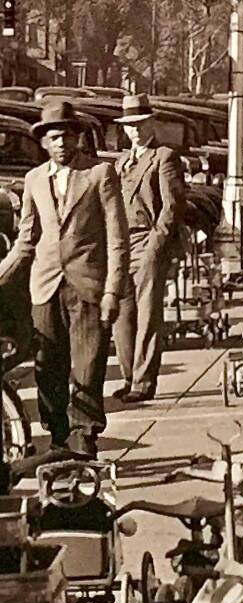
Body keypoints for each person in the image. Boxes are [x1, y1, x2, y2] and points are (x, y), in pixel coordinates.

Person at [0, 97, 128, 458]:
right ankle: (57, 441)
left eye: (67, 136)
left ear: (78, 138)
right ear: (43, 142)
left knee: (87, 368)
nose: (62, 143)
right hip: (45, 287)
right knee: (48, 371)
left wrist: (111, 292)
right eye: (54, 137)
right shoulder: (33, 180)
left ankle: (84, 441)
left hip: (88, 287)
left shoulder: (100, 174)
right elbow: (26, 241)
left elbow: (117, 240)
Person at [110, 92, 184, 408]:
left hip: (147, 244)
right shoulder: (118, 163)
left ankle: (144, 381)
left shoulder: (164, 157)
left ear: (151, 122)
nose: (136, 131)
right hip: (120, 247)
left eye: (140, 124)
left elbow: (173, 205)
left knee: (147, 315)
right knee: (121, 317)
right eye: (130, 126)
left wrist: (157, 244)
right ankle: (129, 378)